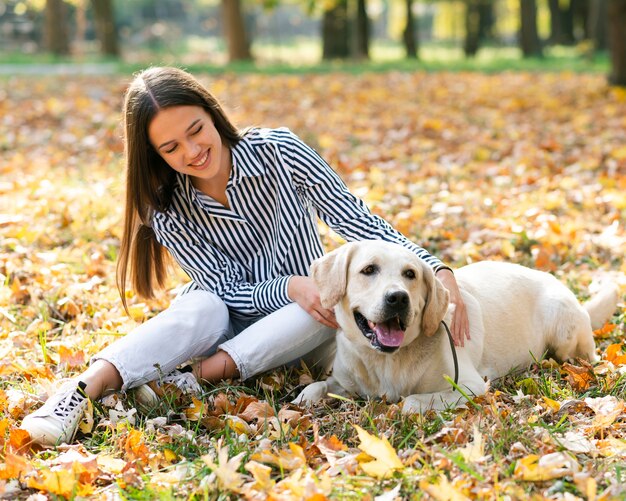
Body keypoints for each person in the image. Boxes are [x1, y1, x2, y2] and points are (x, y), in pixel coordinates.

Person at [21, 67, 469, 446]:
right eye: (171, 148)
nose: (192, 151)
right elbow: (223, 285)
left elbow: (359, 222)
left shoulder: (280, 152)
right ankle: (79, 392)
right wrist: (288, 284)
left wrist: (437, 268)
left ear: (213, 115)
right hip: (226, 313)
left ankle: (192, 378)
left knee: (321, 304)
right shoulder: (163, 204)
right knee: (202, 304)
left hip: (295, 325)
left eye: (195, 131)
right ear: (155, 155)